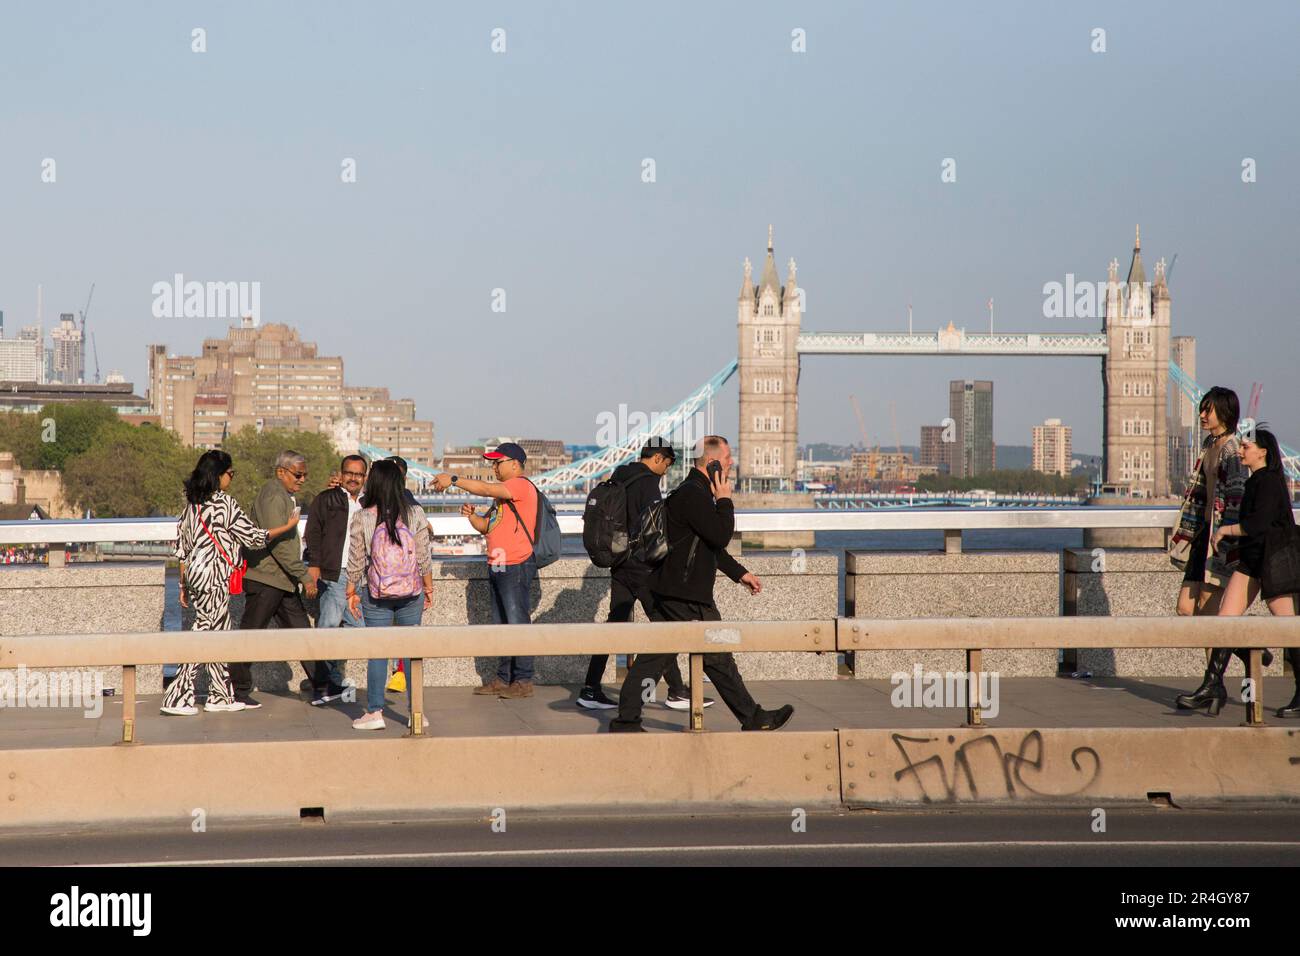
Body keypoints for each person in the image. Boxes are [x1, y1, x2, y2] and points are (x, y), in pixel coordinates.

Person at [609, 436, 793, 733]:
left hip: (673, 590)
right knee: (717, 657)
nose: (732, 463)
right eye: (728, 458)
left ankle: (626, 720)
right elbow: (720, 535)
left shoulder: (693, 492)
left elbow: (710, 545)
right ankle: (753, 717)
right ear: (713, 463)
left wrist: (740, 574)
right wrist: (725, 500)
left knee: (653, 659)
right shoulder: (693, 495)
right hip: (686, 595)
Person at [577, 440, 712, 712]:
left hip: (619, 565)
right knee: (664, 625)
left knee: (615, 625)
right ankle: (676, 691)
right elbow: (655, 530)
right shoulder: (648, 483)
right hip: (642, 568)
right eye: (667, 465)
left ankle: (590, 689)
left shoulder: (620, 475)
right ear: (659, 459)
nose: (665, 472)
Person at [163, 451, 299, 716]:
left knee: (219, 632)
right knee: (204, 634)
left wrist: (183, 584)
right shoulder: (224, 504)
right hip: (214, 574)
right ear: (218, 475)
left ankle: (220, 694)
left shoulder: (193, 505)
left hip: (196, 574)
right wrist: (288, 526)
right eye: (231, 473)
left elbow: (182, 546)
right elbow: (254, 537)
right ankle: (178, 697)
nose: (232, 478)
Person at [1178, 427, 1299, 716]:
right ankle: (1212, 685)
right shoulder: (1256, 480)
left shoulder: (1268, 482)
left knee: (1291, 632)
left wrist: (1224, 531)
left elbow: (1258, 524)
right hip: (1252, 561)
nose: (1242, 449)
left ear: (1263, 452)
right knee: (1225, 621)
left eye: (1247, 446)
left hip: (1273, 562)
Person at [432, 442, 538, 699]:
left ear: (515, 464)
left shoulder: (520, 485)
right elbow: (487, 527)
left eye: (497, 462)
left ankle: (523, 680)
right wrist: (472, 517)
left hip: (516, 565)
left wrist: (454, 479)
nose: (493, 467)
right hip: (498, 564)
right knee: (501, 625)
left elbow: (486, 487)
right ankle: (503, 678)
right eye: (492, 463)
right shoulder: (501, 497)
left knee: (517, 623)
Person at [345, 459, 433, 730]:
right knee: (412, 652)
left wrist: (351, 591)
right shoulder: (415, 513)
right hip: (411, 591)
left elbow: (357, 559)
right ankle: (416, 711)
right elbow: (424, 556)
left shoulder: (362, 516)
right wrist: (428, 588)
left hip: (376, 593)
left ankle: (374, 712)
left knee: (377, 652)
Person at [234, 450, 322, 709]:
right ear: (281, 472)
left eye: (305, 474)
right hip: (267, 579)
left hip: (280, 580)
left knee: (302, 633)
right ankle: (236, 691)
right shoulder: (273, 496)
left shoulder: (282, 495)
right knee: (250, 636)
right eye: (298, 474)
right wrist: (304, 576)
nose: (303, 479)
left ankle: (324, 684)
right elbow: (278, 543)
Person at [303, 454, 368, 706]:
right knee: (329, 627)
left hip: (359, 575)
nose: (353, 478)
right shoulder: (326, 499)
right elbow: (313, 533)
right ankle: (322, 685)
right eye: (349, 473)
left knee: (356, 630)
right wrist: (315, 565)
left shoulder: (369, 503)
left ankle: (328, 679)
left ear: (365, 477)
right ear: (340, 475)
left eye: (358, 474)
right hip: (334, 573)